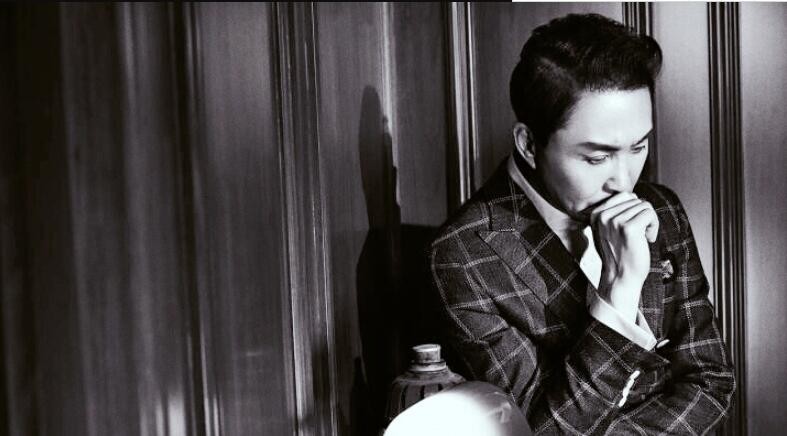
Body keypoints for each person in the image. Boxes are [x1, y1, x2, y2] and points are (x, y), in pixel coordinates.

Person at [428, 13, 735, 434]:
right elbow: (542, 431)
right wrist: (619, 294)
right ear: (529, 144)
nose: (624, 181)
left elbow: (712, 381)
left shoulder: (663, 209)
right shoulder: (462, 256)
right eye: (597, 157)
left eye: (639, 147)